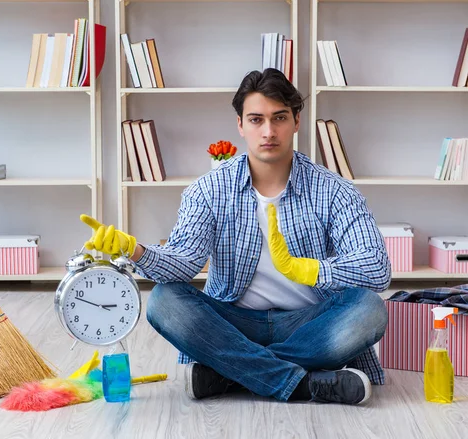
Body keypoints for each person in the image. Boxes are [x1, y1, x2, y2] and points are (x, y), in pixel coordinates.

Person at [80, 68, 391, 405]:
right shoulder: (208, 189)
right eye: (256, 120)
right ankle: (304, 384)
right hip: (233, 322)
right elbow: (185, 264)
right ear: (240, 125)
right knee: (164, 302)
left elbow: (377, 267)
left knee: (369, 309)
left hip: (309, 324)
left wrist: (311, 270)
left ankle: (231, 372)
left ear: (297, 121)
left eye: (280, 118)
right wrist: (136, 251)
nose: (268, 131)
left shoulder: (334, 190)